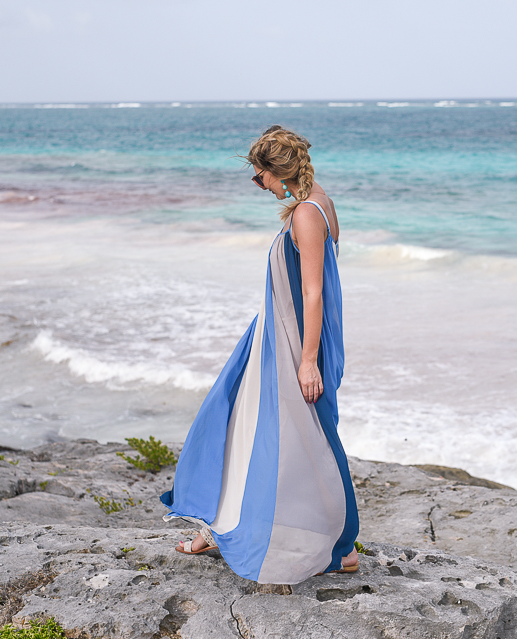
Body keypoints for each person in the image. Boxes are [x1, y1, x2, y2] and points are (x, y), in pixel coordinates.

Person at [160, 125, 359, 584]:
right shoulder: (319, 202)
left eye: (259, 175)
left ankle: (342, 546)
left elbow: (315, 293)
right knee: (234, 422)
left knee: (311, 441)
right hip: (275, 335)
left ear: (278, 171)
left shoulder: (308, 214)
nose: (258, 184)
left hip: (295, 344)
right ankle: (222, 523)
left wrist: (306, 360)